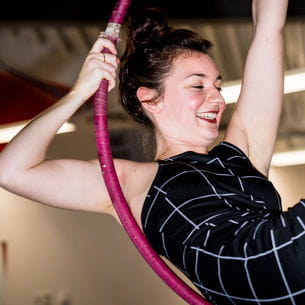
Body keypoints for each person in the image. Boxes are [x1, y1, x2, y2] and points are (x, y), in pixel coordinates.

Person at [1, 0, 304, 304]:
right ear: (151, 99)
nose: (217, 98)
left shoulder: (242, 153)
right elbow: (11, 171)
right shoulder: (132, 182)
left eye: (218, 87)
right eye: (198, 86)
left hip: (287, 250)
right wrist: (80, 92)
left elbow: (268, 25)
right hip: (271, 265)